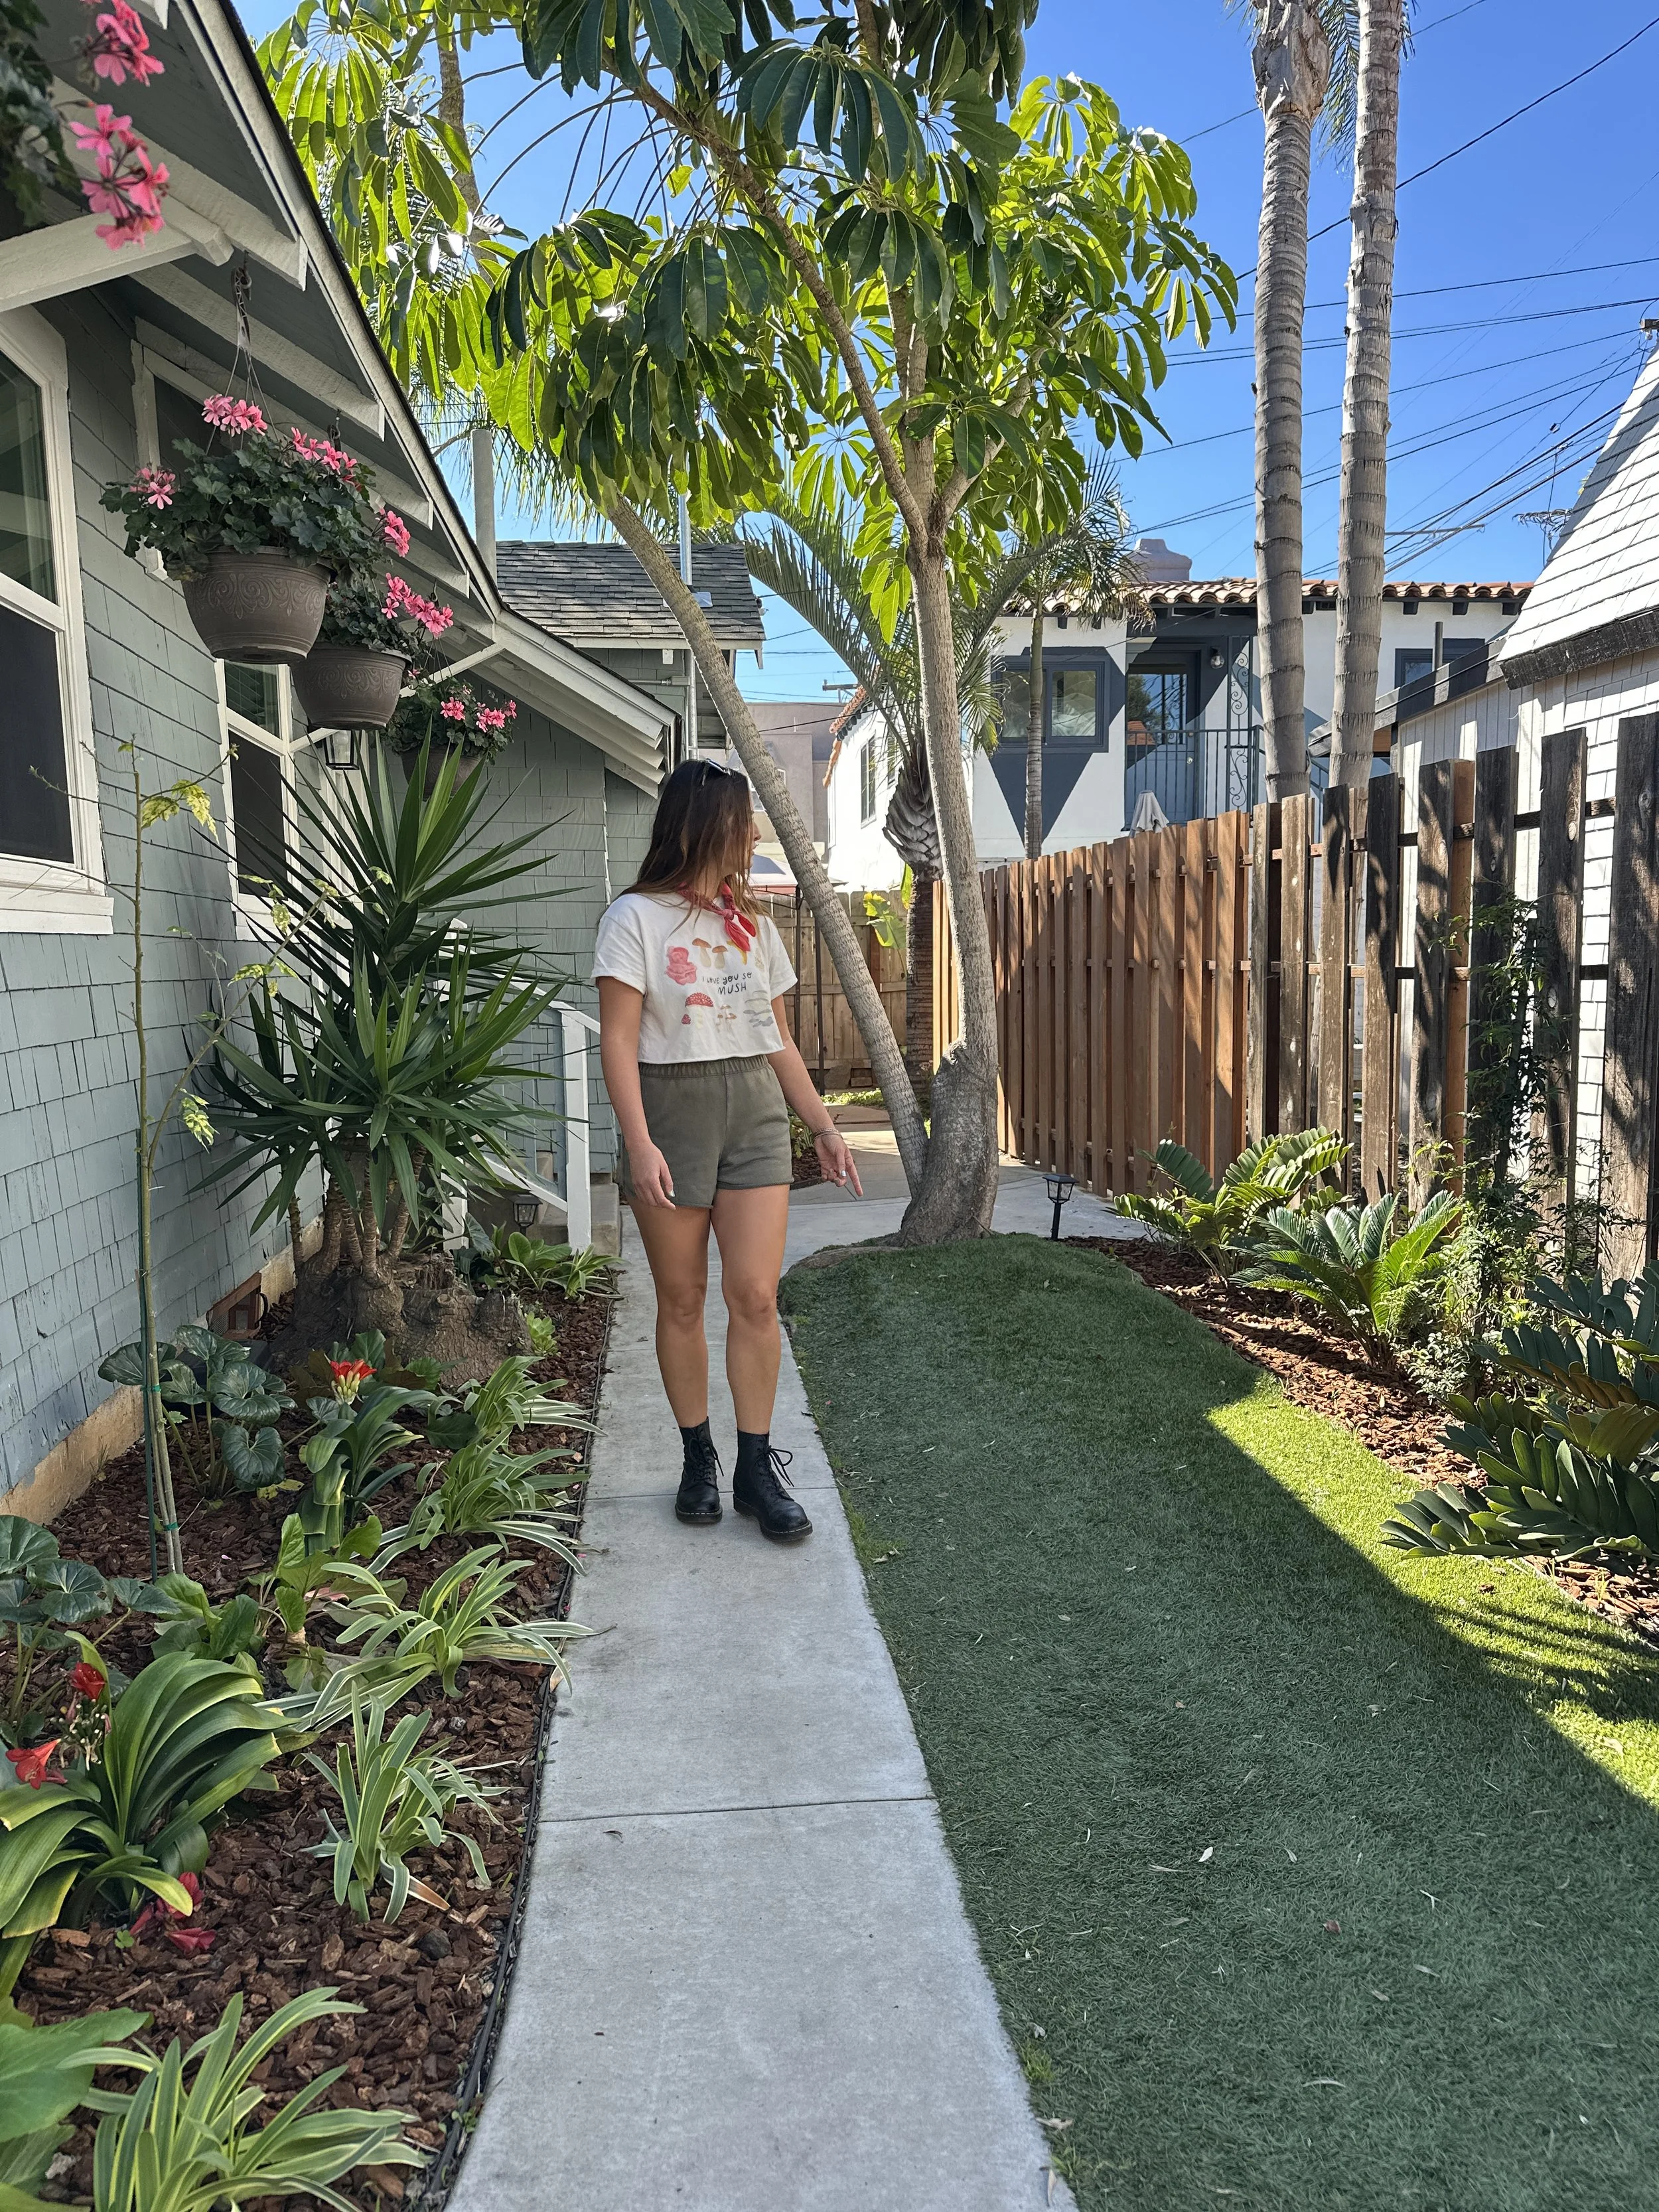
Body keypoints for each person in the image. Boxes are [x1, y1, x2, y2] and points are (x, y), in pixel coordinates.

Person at [594, 758, 863, 1542]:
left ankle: (754, 1468)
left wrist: (822, 1125)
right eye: (743, 822)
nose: (752, 836)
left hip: (751, 1112)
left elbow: (776, 1039)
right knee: (680, 1299)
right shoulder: (634, 919)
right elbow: (617, 1040)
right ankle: (696, 1458)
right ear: (707, 825)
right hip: (670, 1111)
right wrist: (639, 1141)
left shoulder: (756, 926)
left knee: (754, 1296)